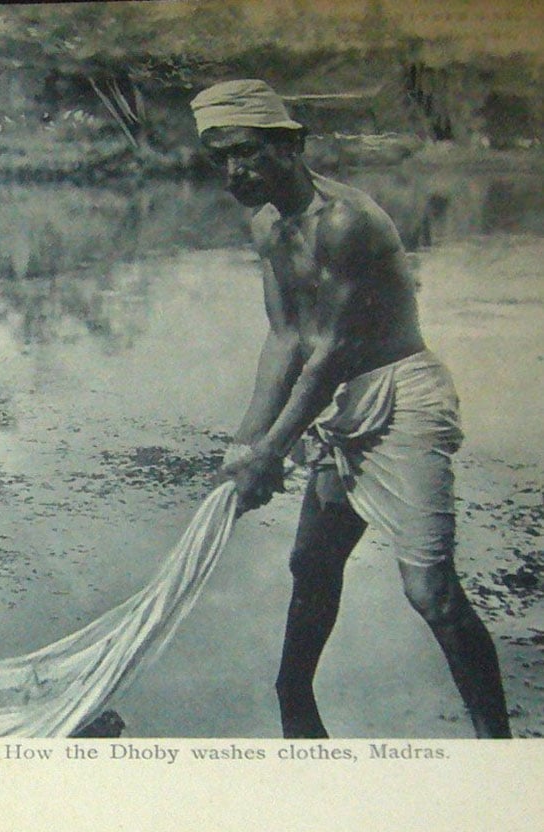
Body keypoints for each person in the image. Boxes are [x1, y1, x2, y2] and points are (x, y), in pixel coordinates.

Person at [190, 79, 511, 739]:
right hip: (338, 403)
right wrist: (243, 447)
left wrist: (272, 453)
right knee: (312, 563)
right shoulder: (265, 226)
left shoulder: (347, 221)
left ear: (293, 146)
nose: (233, 172)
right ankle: (294, 699)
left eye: (246, 153)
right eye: (220, 157)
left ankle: (499, 747)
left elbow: (331, 351)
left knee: (431, 594)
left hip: (402, 401)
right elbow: (285, 341)